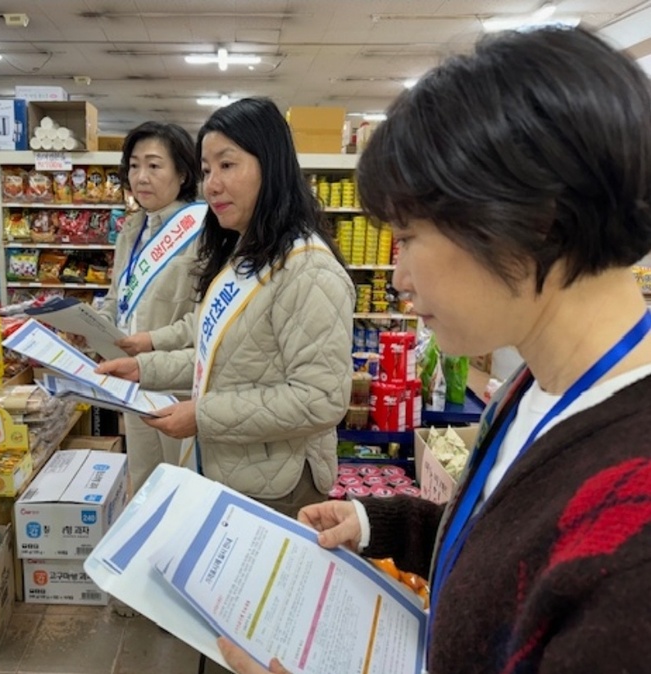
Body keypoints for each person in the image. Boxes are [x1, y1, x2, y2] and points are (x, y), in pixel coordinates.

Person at [218, 26, 651, 674]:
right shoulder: (540, 384)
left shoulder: (633, 536)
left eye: (409, 236)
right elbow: (509, 548)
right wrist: (382, 526)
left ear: (532, 220)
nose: (397, 278)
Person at [97, 97, 355, 516]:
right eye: (206, 170)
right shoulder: (244, 256)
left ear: (270, 166)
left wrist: (203, 416)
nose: (211, 184)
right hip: (232, 471)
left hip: (278, 486)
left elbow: (320, 398)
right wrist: (145, 368)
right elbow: (217, 358)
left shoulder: (308, 269)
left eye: (227, 165)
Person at [97, 121, 204, 491]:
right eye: (134, 165)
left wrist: (151, 341)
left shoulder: (203, 230)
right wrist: (89, 323)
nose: (141, 176)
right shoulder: (131, 230)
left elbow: (204, 318)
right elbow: (117, 297)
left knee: (181, 483)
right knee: (144, 478)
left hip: (180, 383)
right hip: (134, 379)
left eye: (154, 165)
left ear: (183, 173)